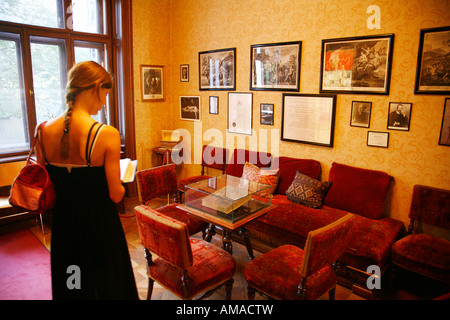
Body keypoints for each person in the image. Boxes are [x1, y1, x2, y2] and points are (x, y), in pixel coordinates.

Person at [37, 61, 138, 300]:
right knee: (106, 286)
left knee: (74, 284)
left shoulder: (42, 131)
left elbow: (48, 181)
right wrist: (123, 179)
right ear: (94, 87)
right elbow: (115, 195)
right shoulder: (106, 134)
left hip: (63, 226)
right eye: (104, 94)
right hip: (99, 227)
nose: (103, 102)